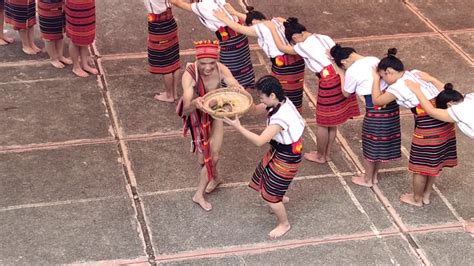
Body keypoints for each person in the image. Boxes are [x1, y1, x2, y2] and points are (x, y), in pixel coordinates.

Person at [264, 17, 360, 164]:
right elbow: (295, 29)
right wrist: (285, 22)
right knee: (332, 122)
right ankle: (326, 154)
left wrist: (272, 29)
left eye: (293, 41)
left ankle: (321, 156)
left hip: (329, 80)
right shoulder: (324, 37)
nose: (294, 44)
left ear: (296, 37)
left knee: (323, 122)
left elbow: (282, 48)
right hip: (342, 75)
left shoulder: (303, 45)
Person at [372, 48, 457, 207]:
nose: (384, 79)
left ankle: (416, 199)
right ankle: (425, 195)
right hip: (445, 122)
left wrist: (375, 79)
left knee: (420, 166)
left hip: (428, 126)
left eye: (383, 76)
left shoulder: (397, 87)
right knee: (433, 163)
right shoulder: (416, 72)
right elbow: (444, 90)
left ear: (389, 71)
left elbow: (377, 101)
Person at [224, 75, 305, 238]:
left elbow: (260, 141)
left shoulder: (280, 118)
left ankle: (284, 223)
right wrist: (243, 94)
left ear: (272, 95)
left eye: (261, 96)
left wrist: (238, 126)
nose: (259, 99)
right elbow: (253, 109)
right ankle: (279, 195)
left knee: (269, 197)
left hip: (287, 156)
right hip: (280, 151)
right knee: (266, 177)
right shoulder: (280, 101)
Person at [176, 40, 242, 211]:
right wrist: (196, 103)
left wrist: (238, 88)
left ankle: (198, 194)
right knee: (202, 159)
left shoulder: (221, 69)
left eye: (211, 63)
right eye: (203, 64)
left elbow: (233, 83)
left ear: (216, 60)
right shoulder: (190, 75)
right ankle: (216, 177)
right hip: (197, 116)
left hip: (216, 112)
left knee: (212, 156)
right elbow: (185, 110)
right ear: (197, 61)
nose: (207, 68)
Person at [213, 4, 305, 113]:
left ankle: (283, 115)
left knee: (281, 94)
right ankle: (289, 112)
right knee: (292, 93)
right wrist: (234, 12)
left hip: (285, 67)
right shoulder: (277, 21)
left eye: (251, 24)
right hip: (298, 62)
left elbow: (239, 28)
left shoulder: (261, 27)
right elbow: (252, 20)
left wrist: (223, 18)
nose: (251, 27)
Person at [330, 44, 401, 187]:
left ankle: (367, 179)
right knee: (380, 143)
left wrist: (341, 73)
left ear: (343, 62)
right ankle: (373, 176)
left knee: (371, 145)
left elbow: (346, 92)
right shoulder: (373, 59)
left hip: (376, 111)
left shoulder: (352, 71)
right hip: (392, 107)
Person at [170, 0, 255, 89]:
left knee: (230, 71)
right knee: (243, 66)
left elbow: (177, 3)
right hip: (241, 37)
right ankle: (246, 89)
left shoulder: (202, 6)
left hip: (230, 42)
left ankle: (238, 94)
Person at [406, 80, 474, 139]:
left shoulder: (458, 110)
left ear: (449, 104)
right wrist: (432, 79)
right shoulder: (470, 96)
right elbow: (451, 94)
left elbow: (431, 111)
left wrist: (417, 90)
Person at [145, 0, 181, 103]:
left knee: (165, 64)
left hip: (158, 26)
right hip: (170, 22)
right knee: (173, 59)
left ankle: (169, 95)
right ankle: (174, 93)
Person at [65, 0, 98, 77]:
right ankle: (76, 67)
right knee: (75, 39)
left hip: (87, 7)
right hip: (75, 7)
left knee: (85, 38)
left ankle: (84, 64)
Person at [38, 0, 72, 68]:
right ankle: (53, 58)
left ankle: (60, 56)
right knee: (49, 36)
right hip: (47, 7)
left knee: (59, 33)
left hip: (59, 7)